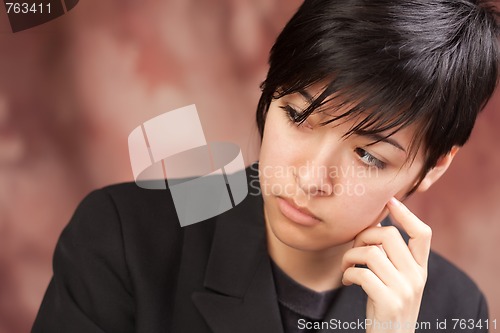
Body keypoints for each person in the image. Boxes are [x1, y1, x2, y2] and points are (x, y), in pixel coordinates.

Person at [32, 0, 499, 332]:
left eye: (368, 155)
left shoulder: (455, 306)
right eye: (297, 116)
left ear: (434, 167)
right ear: (269, 89)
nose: (310, 178)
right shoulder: (124, 236)